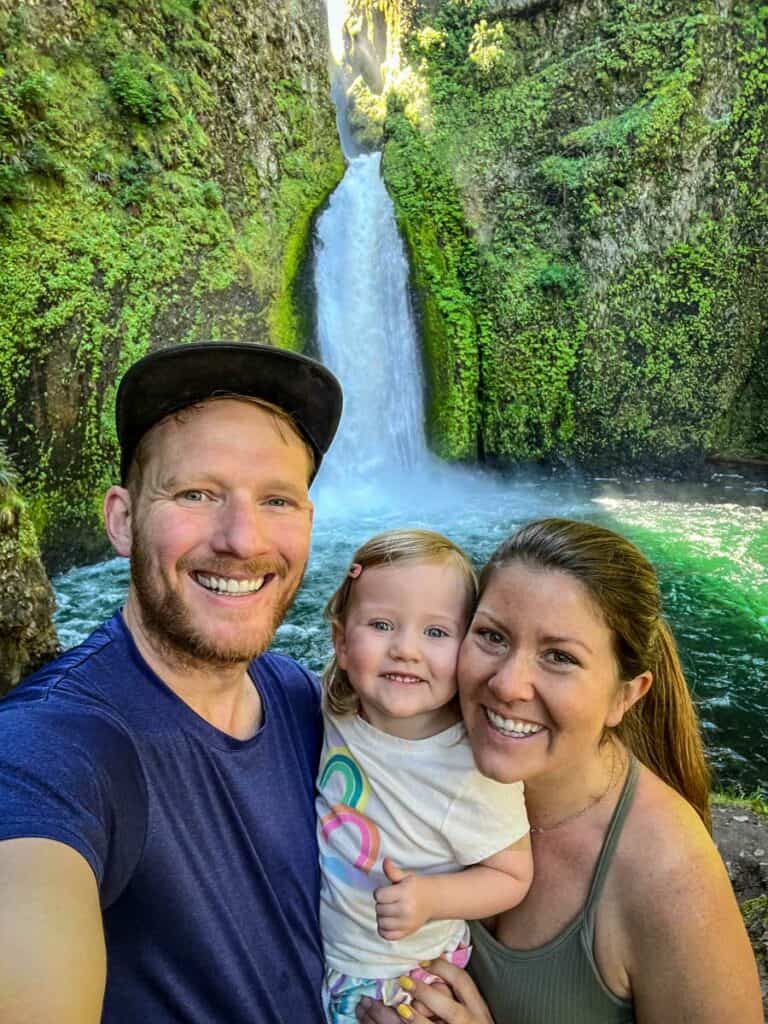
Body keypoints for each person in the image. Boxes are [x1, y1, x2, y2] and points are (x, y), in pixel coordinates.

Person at [0, 341, 343, 1024]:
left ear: (306, 521)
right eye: (197, 494)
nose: (242, 540)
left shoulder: (308, 701)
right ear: (122, 519)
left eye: (276, 499)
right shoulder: (51, 747)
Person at [356, 518, 764, 1024]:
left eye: (559, 657)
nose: (508, 684)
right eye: (492, 636)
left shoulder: (669, 877)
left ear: (626, 695)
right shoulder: (416, 746)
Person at [318, 529, 533, 1024]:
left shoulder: (469, 765)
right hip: (328, 954)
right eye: (380, 624)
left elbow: (513, 875)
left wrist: (432, 898)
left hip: (401, 981)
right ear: (341, 642)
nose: (406, 650)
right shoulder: (336, 713)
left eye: (435, 632)